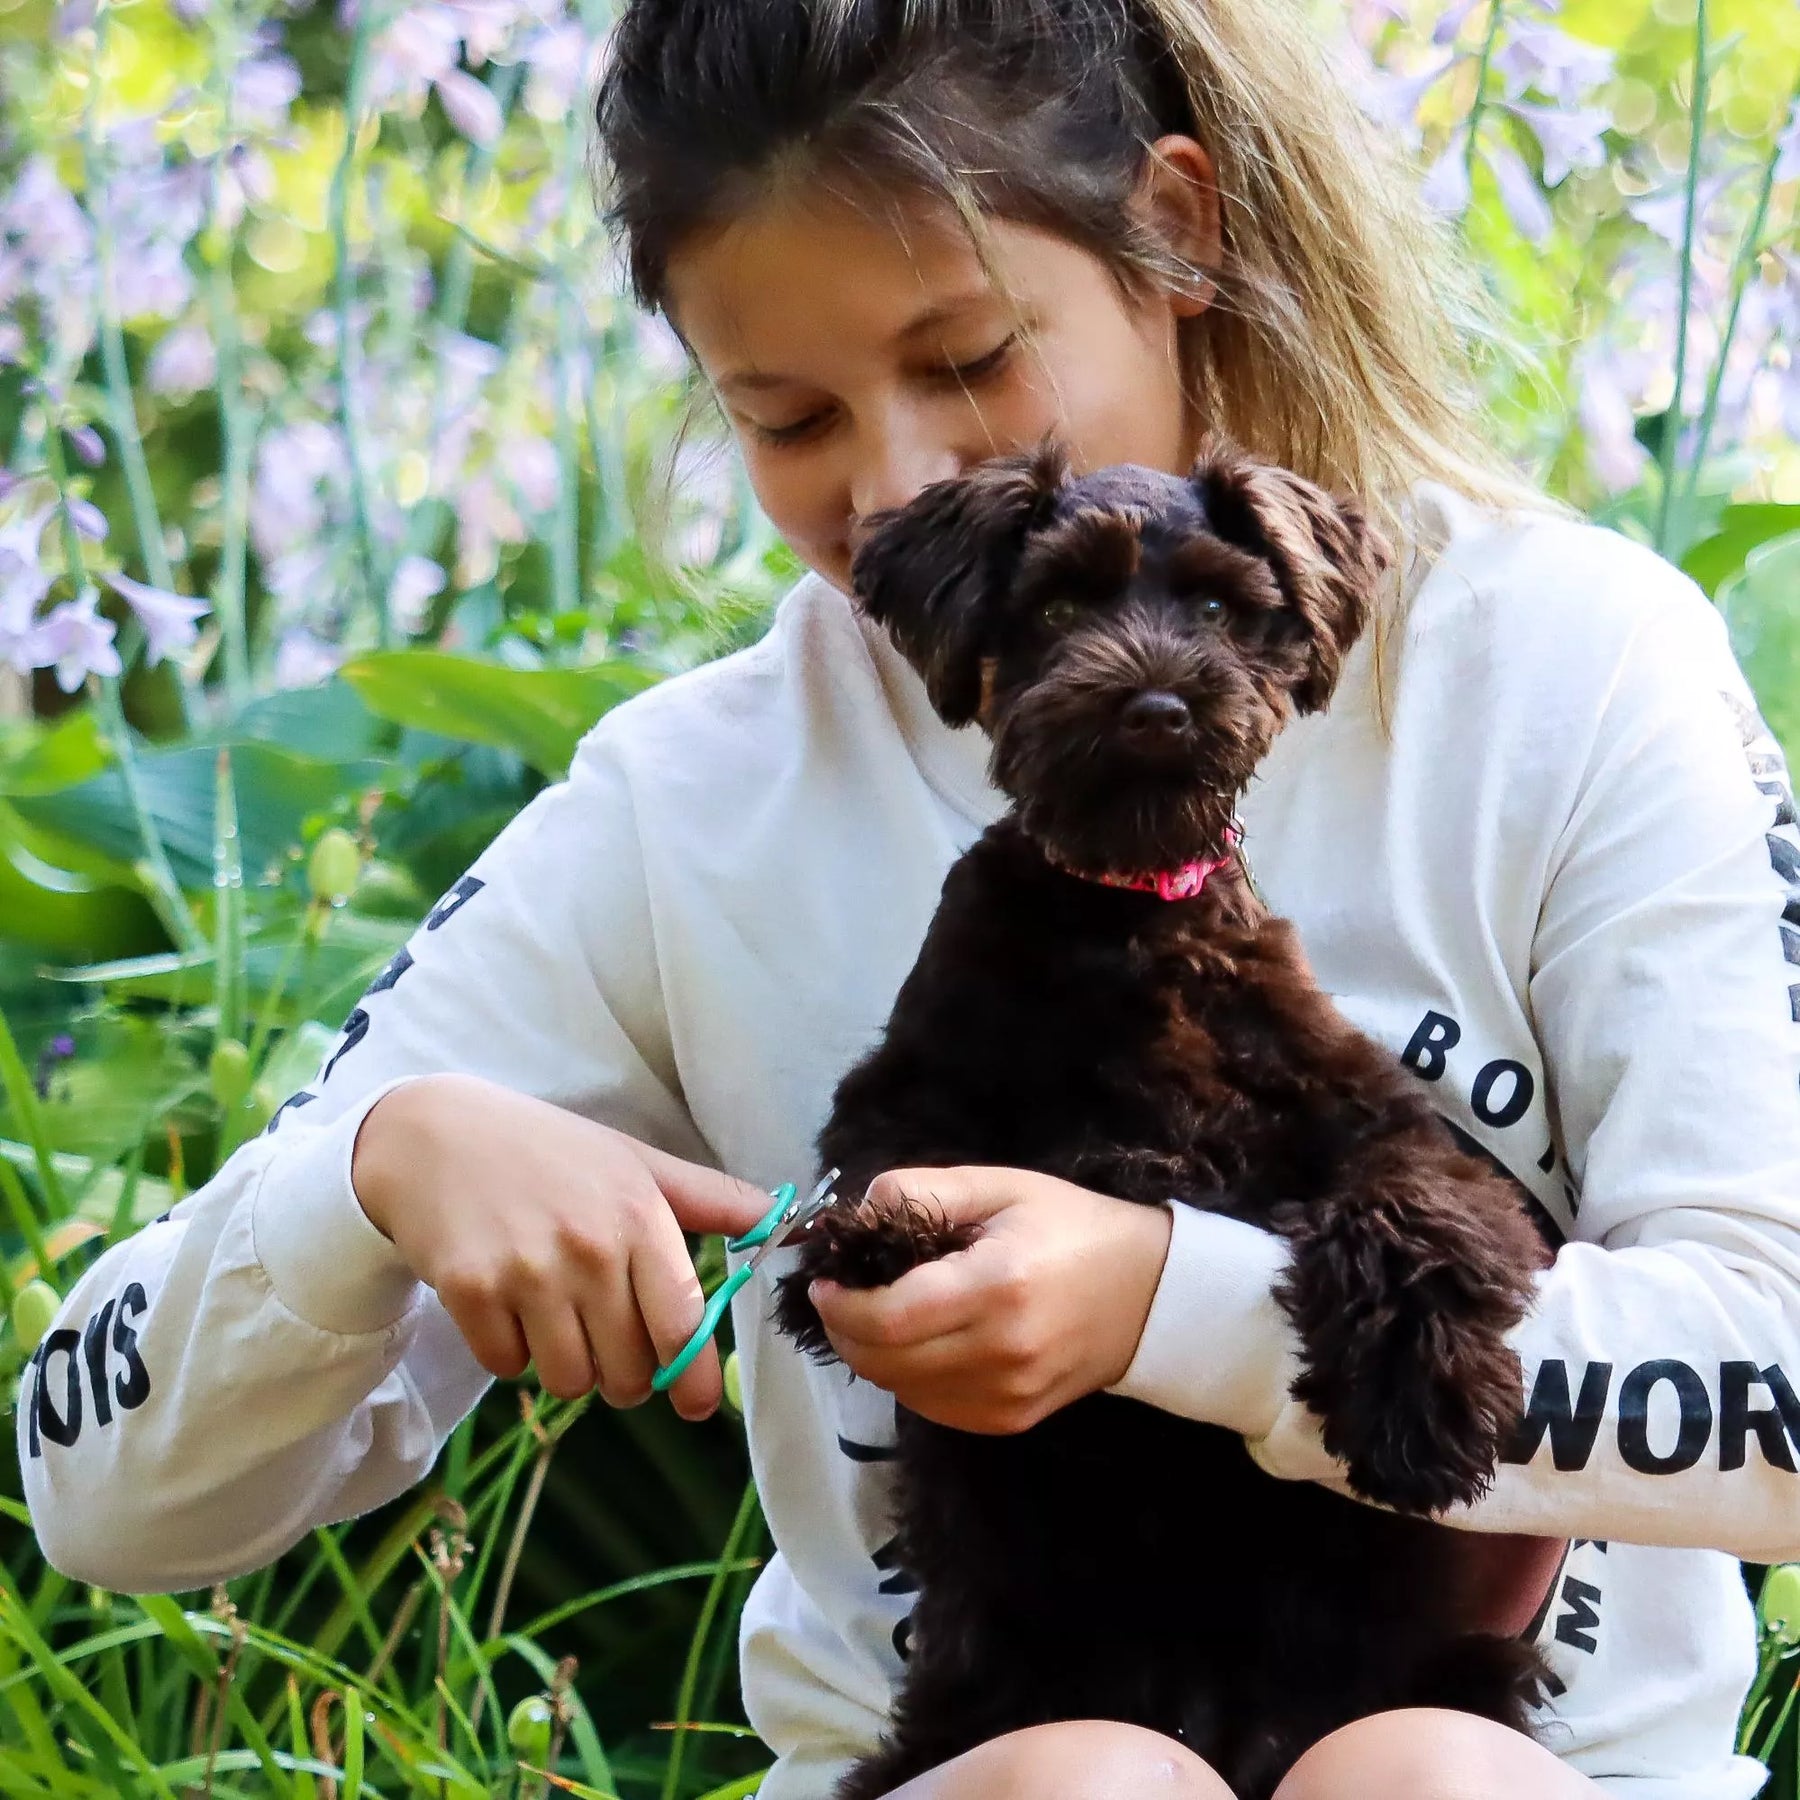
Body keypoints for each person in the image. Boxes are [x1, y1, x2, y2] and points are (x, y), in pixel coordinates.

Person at [19, 0, 1800, 1794]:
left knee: (1430, 1777)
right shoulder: (687, 804)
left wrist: (1168, 1308)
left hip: (1536, 1764)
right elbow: (100, 1494)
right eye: (786, 418)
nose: (889, 494)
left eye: (966, 363)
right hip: (984, 1755)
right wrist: (374, 1170)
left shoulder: (1567, 668)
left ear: (1180, 227)